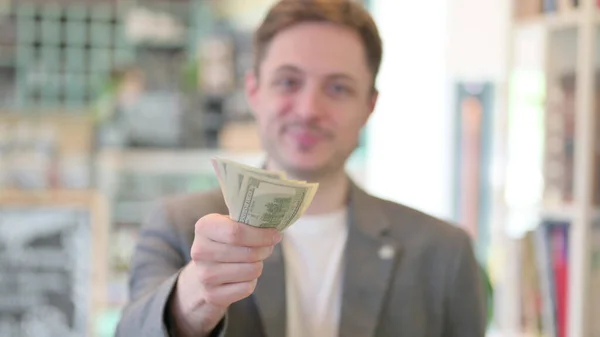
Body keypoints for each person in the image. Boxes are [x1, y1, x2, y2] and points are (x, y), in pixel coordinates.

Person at [115, 1, 487, 337]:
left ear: (369, 107)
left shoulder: (444, 254)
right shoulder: (177, 226)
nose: (309, 109)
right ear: (254, 91)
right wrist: (194, 298)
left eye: (338, 88)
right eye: (288, 82)